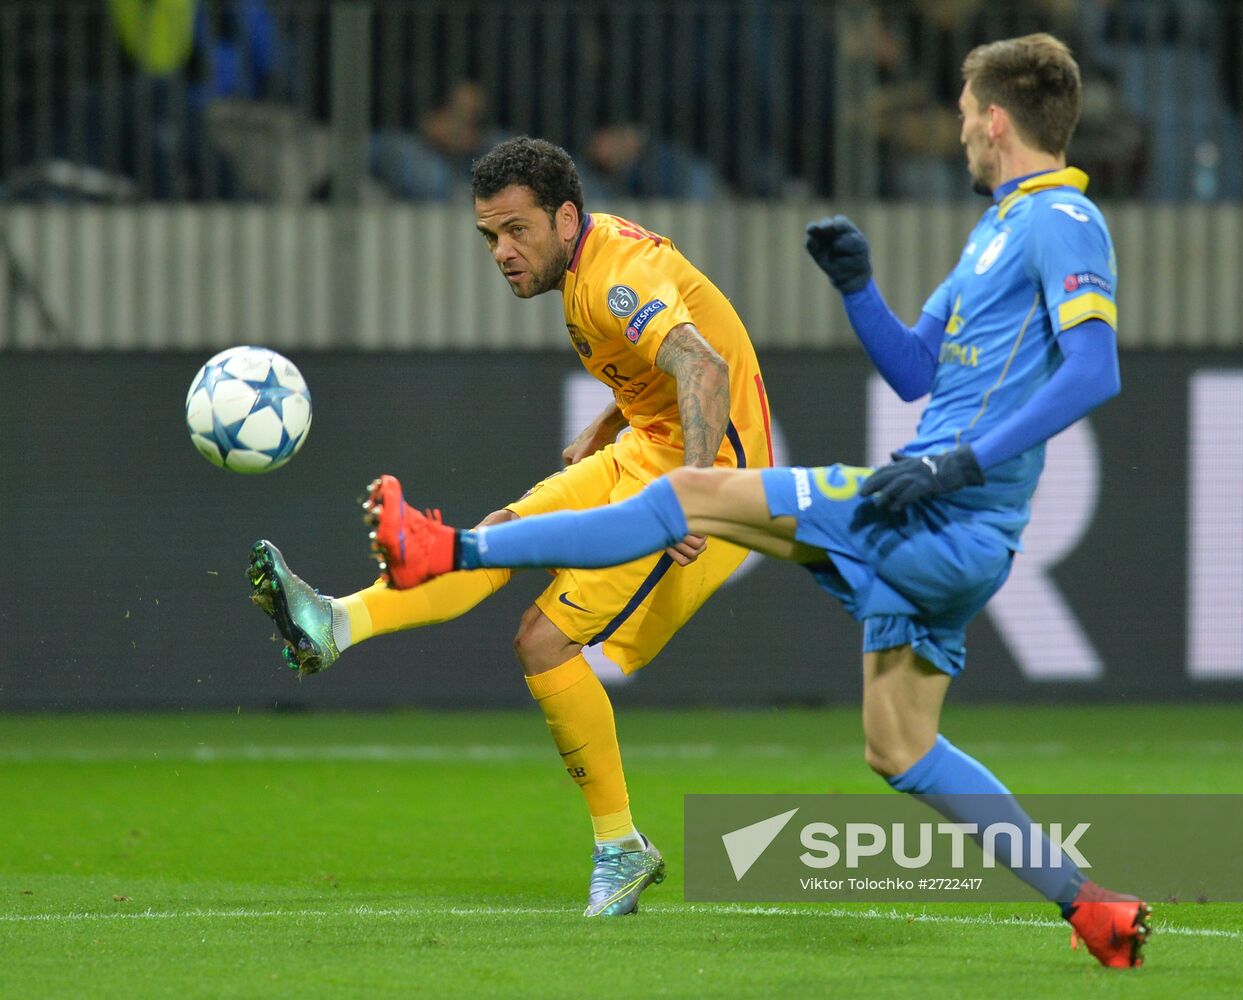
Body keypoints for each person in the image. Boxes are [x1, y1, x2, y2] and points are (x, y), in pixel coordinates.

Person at [351, 35, 1149, 969]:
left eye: (969, 115)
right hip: (937, 520)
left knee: (693, 488)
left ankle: (450, 552)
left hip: (929, 507)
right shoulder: (993, 234)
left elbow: (1094, 371)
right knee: (900, 752)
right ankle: (1089, 904)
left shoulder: (1065, 223)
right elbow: (914, 371)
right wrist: (858, 289)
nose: (961, 130)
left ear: (999, 120)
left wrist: (955, 467)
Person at [248, 136, 775, 917]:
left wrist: (693, 494)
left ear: (566, 218)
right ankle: (333, 623)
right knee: (494, 532)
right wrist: (612, 418)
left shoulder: (615, 278)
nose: (501, 251)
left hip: (706, 482)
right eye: (489, 236)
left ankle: (620, 846)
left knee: (541, 641)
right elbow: (666, 354)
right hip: (648, 450)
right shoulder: (590, 271)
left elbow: (703, 366)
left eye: (516, 230)